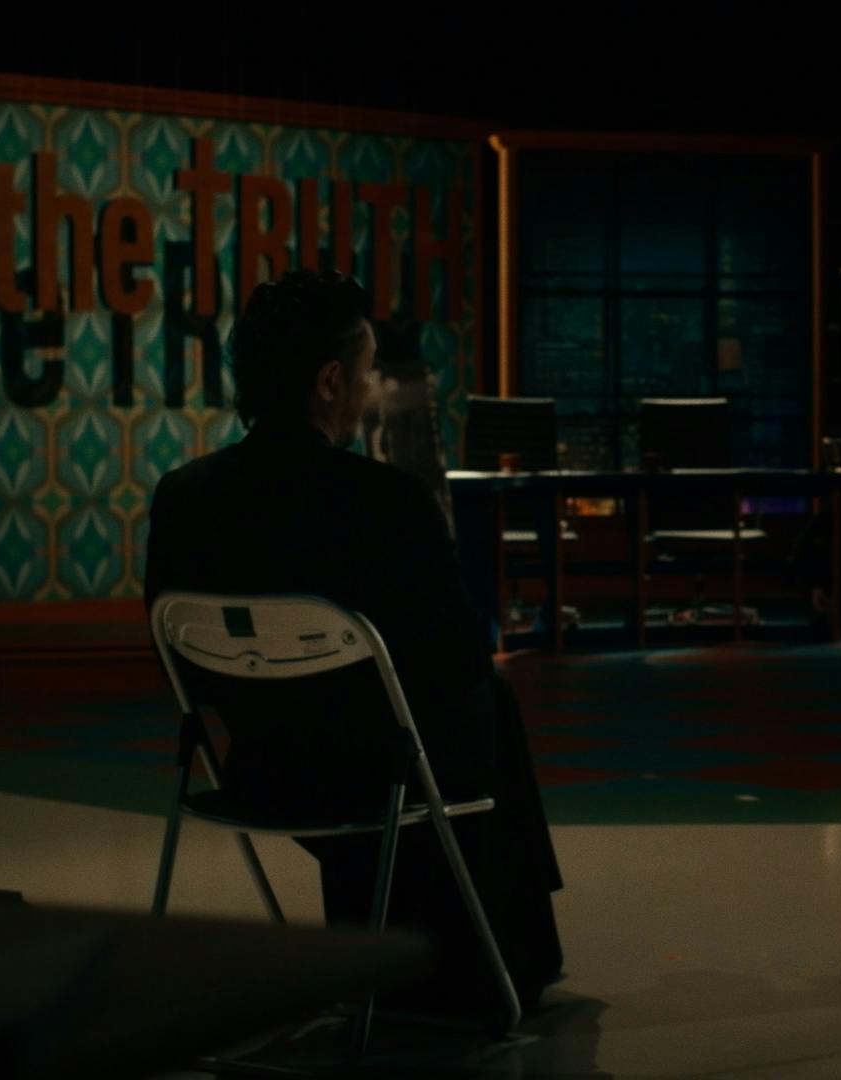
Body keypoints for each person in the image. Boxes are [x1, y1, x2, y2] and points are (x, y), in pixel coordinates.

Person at [143, 270, 562, 1018]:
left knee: (414, 717)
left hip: (258, 773)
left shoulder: (184, 497)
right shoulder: (388, 501)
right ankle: (506, 963)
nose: (368, 391)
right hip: (375, 781)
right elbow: (460, 656)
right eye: (365, 373)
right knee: (487, 703)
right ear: (331, 381)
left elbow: (176, 659)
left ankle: (402, 959)